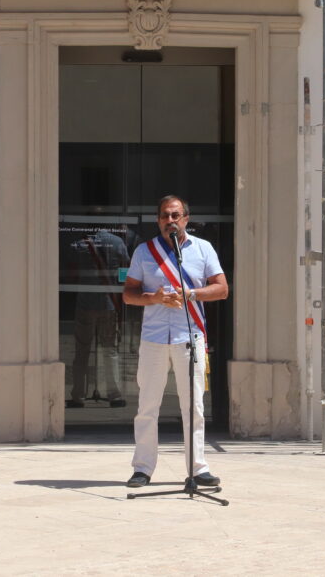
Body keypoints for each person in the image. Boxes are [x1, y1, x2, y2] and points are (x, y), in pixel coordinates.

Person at [122, 195, 228, 489]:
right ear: (159, 221)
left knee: (193, 406)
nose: (170, 220)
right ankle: (142, 468)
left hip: (190, 336)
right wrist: (154, 298)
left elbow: (221, 289)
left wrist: (191, 295)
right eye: (165, 216)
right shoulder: (145, 251)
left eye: (176, 215)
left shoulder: (203, 249)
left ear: (185, 219)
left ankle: (198, 468)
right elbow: (128, 294)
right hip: (154, 338)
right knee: (147, 405)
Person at [67, 228, 129, 408]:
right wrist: (116, 285)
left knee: (82, 350)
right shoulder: (118, 242)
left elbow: (71, 273)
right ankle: (115, 395)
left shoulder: (79, 244)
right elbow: (126, 271)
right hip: (109, 303)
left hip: (85, 303)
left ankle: (78, 395)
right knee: (110, 351)